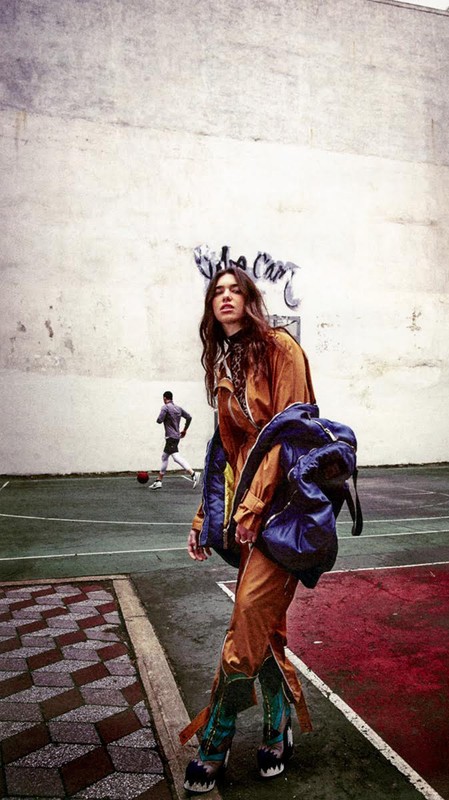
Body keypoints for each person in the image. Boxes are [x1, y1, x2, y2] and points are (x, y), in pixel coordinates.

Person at [180, 267, 316, 794]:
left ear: (251, 299)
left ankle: (215, 738)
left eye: (235, 289)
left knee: (246, 622)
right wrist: (205, 516)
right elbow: (225, 449)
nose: (225, 297)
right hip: (246, 515)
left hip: (286, 512)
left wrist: (257, 503)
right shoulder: (225, 361)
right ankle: (278, 729)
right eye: (217, 291)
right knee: (265, 627)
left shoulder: (281, 348)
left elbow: (292, 430)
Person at [149, 391, 199, 490]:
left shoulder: (165, 407)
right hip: (176, 437)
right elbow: (189, 417)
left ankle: (193, 474)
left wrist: (164, 416)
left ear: (164, 398)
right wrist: (185, 430)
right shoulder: (178, 408)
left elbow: (159, 420)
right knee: (164, 457)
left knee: (176, 457)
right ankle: (159, 481)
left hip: (170, 437)